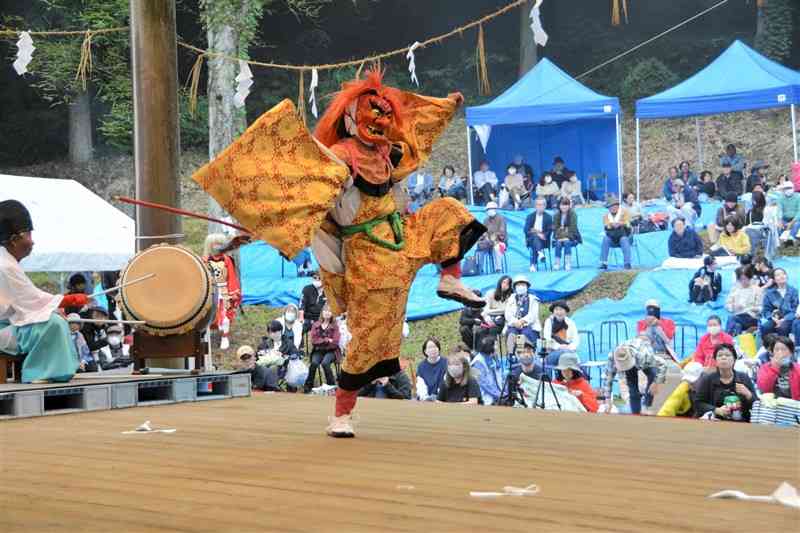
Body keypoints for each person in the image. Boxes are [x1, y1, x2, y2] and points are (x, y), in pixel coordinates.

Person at [0, 200, 91, 383]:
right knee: (52, 324)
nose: (32, 242)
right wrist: (68, 300)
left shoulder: (6, 261)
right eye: (29, 235)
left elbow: (26, 302)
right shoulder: (4, 265)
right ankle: (40, 374)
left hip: (10, 323)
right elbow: (30, 299)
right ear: (15, 239)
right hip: (4, 328)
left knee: (53, 318)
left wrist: (54, 306)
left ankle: (49, 372)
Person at [603, 336, 667, 415]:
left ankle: (645, 406)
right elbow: (607, 379)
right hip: (621, 397)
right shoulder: (612, 357)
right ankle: (635, 414)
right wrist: (607, 401)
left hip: (640, 356)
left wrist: (656, 382)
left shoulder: (644, 355)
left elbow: (663, 364)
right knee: (633, 391)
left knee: (653, 375)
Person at [694, 343, 756, 421]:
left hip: (741, 423)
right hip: (715, 421)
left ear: (734, 359)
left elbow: (756, 404)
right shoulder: (707, 379)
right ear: (715, 360)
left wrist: (748, 394)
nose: (723, 357)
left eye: (727, 355)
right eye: (720, 355)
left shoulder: (744, 378)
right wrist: (716, 410)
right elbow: (698, 403)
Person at [204, 233, 242, 350]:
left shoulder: (227, 260)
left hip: (224, 290)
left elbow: (231, 277)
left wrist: (233, 292)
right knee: (208, 313)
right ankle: (206, 335)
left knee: (225, 314)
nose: (217, 247)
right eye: (214, 244)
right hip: (210, 290)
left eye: (220, 244)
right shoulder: (204, 260)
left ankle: (225, 336)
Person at [304, 304, 340, 393]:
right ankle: (308, 386)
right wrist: (327, 340)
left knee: (325, 363)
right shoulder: (316, 325)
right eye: (325, 310)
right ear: (322, 312)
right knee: (314, 363)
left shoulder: (335, 326)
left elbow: (335, 343)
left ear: (332, 314)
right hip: (318, 351)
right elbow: (314, 340)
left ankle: (331, 386)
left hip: (332, 351)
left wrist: (322, 342)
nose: (327, 313)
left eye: (329, 311)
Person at [505, 275, 540, 353]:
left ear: (527, 287)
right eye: (518, 285)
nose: (520, 287)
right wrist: (515, 322)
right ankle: (512, 356)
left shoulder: (533, 299)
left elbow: (533, 315)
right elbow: (508, 314)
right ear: (515, 287)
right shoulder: (511, 299)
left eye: (523, 285)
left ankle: (525, 355)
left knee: (525, 335)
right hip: (514, 325)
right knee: (511, 335)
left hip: (529, 325)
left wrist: (522, 321)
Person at [759, 268, 799, 338]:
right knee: (765, 327)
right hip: (775, 319)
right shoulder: (769, 293)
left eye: (783, 274)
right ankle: (768, 347)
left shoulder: (793, 291)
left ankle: (784, 347)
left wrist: (784, 319)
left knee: (783, 327)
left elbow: (795, 309)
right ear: (774, 280)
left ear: (786, 276)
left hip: (789, 318)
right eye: (778, 275)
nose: (781, 276)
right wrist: (773, 318)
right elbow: (766, 310)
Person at [541, 301, 579, 373]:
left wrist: (569, 347)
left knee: (569, 356)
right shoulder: (549, 322)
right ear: (553, 312)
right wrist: (559, 347)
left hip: (568, 351)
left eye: (561, 310)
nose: (559, 312)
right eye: (556, 310)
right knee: (567, 356)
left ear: (565, 311)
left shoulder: (570, 322)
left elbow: (576, 340)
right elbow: (547, 340)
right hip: (552, 353)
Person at [724, 265, 762, 336]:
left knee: (731, 319)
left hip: (751, 317)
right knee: (737, 326)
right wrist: (733, 306)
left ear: (750, 278)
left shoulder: (757, 290)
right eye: (741, 279)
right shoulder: (735, 289)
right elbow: (727, 304)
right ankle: (735, 340)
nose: (743, 281)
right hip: (737, 315)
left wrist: (751, 308)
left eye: (745, 278)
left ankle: (726, 339)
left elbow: (760, 307)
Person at [470, 335, 506, 406]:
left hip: (498, 393)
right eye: (495, 345)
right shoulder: (476, 363)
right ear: (489, 347)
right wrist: (499, 395)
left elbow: (501, 376)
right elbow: (484, 384)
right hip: (486, 399)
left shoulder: (494, 357)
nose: (497, 347)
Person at [599, 196, 632, 270]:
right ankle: (604, 263)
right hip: (612, 237)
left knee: (624, 239)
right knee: (605, 239)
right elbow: (606, 226)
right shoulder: (606, 216)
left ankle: (627, 263)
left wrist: (621, 223)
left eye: (615, 206)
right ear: (608, 208)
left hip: (624, 235)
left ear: (618, 206)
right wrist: (612, 224)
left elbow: (628, 224)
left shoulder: (625, 213)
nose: (613, 208)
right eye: (611, 206)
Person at [551, 197, 580, 271]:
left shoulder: (573, 214)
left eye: (566, 205)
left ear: (569, 205)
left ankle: (568, 263)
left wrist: (565, 235)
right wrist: (561, 234)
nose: (564, 207)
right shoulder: (556, 215)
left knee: (567, 242)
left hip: (572, 237)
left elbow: (572, 228)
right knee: (558, 243)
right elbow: (555, 229)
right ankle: (557, 263)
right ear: (559, 206)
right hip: (558, 237)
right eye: (562, 205)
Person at [524, 197, 552, 272]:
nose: (540, 207)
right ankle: (540, 253)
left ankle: (533, 264)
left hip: (543, 240)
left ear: (545, 206)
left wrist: (542, 235)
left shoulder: (548, 217)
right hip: (531, 238)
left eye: (542, 205)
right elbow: (526, 230)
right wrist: (537, 233)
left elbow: (549, 230)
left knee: (535, 242)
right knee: (534, 238)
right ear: (535, 206)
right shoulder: (530, 216)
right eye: (538, 205)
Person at [477, 202, 507, 272]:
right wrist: (485, 236)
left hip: (500, 241)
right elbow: (483, 231)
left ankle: (498, 268)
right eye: (488, 209)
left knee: (497, 248)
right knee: (480, 248)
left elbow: (502, 232)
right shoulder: (486, 220)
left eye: (490, 209)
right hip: (488, 242)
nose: (489, 211)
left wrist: (494, 237)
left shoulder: (501, 219)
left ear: (495, 209)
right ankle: (479, 268)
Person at [416, 337, 447, 401]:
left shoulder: (446, 363)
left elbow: (446, 382)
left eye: (435, 347)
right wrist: (425, 398)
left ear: (439, 349)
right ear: (425, 351)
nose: (433, 349)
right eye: (430, 347)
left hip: (442, 398)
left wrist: (439, 397)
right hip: (426, 399)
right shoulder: (421, 366)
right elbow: (421, 385)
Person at [744, 191, 768, 256]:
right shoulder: (750, 212)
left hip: (763, 233)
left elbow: (768, 224)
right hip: (751, 234)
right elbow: (746, 225)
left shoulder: (766, 210)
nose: (752, 201)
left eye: (753, 199)